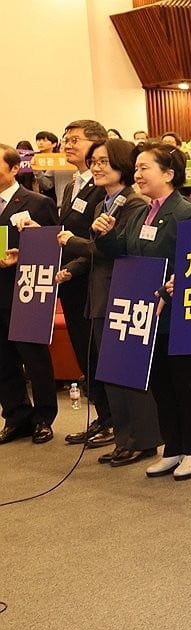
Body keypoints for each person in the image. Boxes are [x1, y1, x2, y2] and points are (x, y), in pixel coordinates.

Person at [94, 143, 191, 478]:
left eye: (146, 167)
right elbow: (125, 253)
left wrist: (170, 286)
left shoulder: (189, 213)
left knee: (187, 383)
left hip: (180, 315)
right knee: (162, 383)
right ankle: (173, 447)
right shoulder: (139, 213)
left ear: (169, 173)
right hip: (147, 314)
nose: (138, 174)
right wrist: (103, 236)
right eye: (137, 168)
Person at [58, 139, 159, 466]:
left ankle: (142, 440)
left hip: (125, 294)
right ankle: (124, 437)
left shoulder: (135, 203)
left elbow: (116, 250)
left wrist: (73, 243)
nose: (97, 167)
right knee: (111, 372)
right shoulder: (103, 204)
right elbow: (97, 255)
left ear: (121, 164)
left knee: (129, 372)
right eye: (94, 161)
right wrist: (72, 270)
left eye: (103, 161)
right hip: (101, 295)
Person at [57, 120, 115, 448]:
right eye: (66, 139)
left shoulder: (102, 185)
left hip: (93, 278)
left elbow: (93, 240)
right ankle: (102, 414)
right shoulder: (72, 184)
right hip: (71, 279)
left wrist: (72, 251)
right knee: (84, 352)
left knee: (98, 351)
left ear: (97, 144)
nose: (67, 144)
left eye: (75, 139)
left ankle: (112, 417)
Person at [0, 144, 58, 445]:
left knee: (34, 358)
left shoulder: (36, 203)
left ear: (13, 169)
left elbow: (52, 247)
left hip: (26, 291)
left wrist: (22, 255)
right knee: (3, 360)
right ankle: (15, 415)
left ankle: (43, 418)